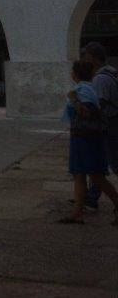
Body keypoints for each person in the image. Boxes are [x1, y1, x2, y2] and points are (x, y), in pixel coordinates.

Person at [59, 60, 118, 224]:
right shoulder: (88, 88)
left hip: (87, 138)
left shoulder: (83, 90)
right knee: (79, 174)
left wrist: (74, 99)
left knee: (95, 175)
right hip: (81, 137)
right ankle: (77, 212)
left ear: (74, 74)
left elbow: (88, 113)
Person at [83, 42, 118, 209]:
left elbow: (99, 105)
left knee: (112, 163)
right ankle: (92, 196)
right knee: (99, 163)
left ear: (94, 58)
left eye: (86, 57)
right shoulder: (110, 72)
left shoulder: (100, 78)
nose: (84, 60)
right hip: (111, 123)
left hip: (110, 125)